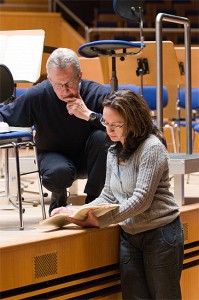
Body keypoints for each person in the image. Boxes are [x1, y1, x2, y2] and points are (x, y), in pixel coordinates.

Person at [51, 90, 184, 300]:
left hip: (160, 234)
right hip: (129, 236)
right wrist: (77, 212)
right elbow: (109, 195)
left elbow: (141, 200)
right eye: (106, 122)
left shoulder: (151, 148)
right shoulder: (114, 150)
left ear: (134, 121)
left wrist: (103, 221)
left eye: (117, 124)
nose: (109, 130)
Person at [0, 48, 109, 215]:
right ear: (49, 79)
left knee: (103, 137)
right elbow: (5, 116)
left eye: (69, 83)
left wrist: (90, 115)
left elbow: (123, 124)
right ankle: (58, 199)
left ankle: (93, 202)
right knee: (59, 173)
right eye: (58, 85)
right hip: (53, 155)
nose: (64, 90)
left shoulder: (96, 93)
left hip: (91, 158)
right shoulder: (38, 94)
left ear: (79, 76)